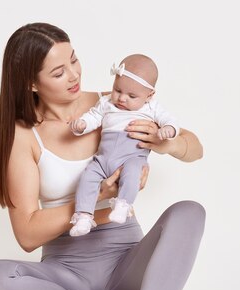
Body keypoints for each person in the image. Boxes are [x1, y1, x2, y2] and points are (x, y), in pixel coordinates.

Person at [0, 22, 206, 290]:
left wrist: (166, 143)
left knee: (190, 212)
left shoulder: (115, 103)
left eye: (74, 60)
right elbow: (26, 234)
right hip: (68, 277)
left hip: (128, 264)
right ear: (31, 82)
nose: (75, 75)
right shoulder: (23, 137)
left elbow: (196, 149)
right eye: (58, 72)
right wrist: (97, 200)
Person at [68, 54, 179, 236]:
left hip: (132, 156)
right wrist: (82, 125)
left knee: (133, 173)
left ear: (149, 95)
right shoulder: (106, 103)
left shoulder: (151, 108)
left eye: (132, 95)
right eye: (117, 90)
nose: (122, 98)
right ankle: (83, 217)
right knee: (88, 177)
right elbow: (94, 116)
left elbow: (170, 120)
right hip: (103, 159)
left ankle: (122, 204)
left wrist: (168, 129)